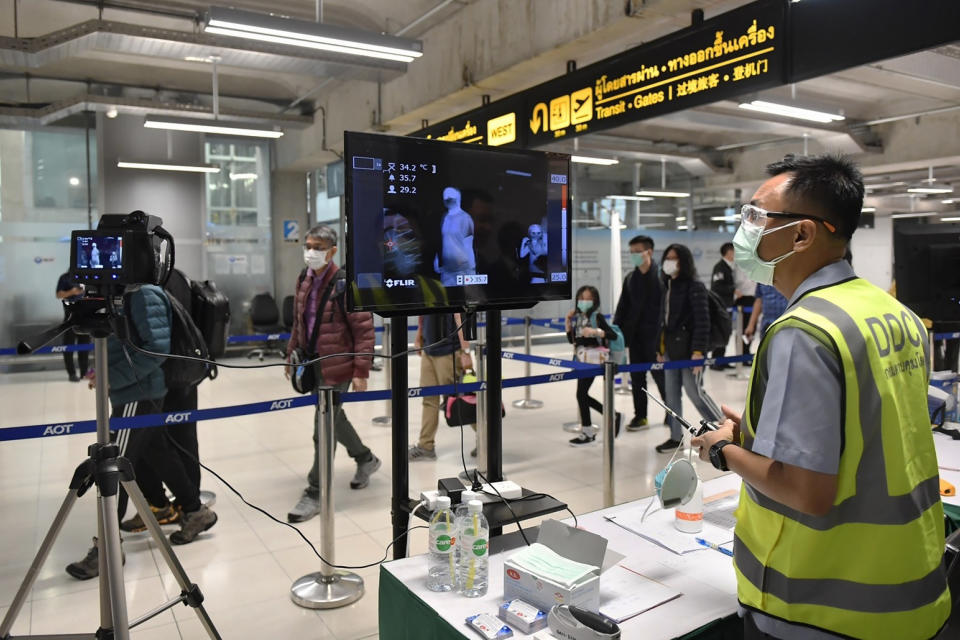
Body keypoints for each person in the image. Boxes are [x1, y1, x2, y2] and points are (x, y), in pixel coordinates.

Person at [693, 154, 949, 640]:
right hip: (910, 590)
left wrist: (723, 451)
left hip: (823, 608)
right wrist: (756, 434)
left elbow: (807, 492)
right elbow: (868, 426)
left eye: (755, 216)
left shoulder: (804, 332)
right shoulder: (896, 314)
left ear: (802, 234)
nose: (745, 230)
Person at [286, 224, 380, 523]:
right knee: (334, 418)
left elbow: (364, 330)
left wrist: (361, 370)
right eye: (309, 245)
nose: (311, 252)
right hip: (311, 363)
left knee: (322, 428)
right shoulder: (303, 278)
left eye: (318, 247)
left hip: (337, 364)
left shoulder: (345, 283)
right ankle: (366, 458)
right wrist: (291, 355)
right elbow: (298, 323)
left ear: (332, 251)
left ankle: (315, 491)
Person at [656, 243, 722, 453]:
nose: (669, 262)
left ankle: (723, 428)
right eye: (667, 257)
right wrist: (660, 347)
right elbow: (663, 320)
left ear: (683, 261)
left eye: (674, 258)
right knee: (672, 395)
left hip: (690, 351)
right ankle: (676, 437)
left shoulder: (695, 286)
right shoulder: (666, 286)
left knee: (695, 393)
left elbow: (703, 321)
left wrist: (698, 352)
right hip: (670, 351)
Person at [613, 235, 667, 430]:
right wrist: (616, 335)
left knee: (661, 378)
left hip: (656, 339)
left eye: (637, 252)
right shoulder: (630, 278)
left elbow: (667, 311)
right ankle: (640, 416)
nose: (634, 256)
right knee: (637, 379)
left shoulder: (662, 277)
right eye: (632, 252)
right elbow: (622, 309)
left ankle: (671, 414)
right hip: (635, 338)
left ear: (649, 252)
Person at [408, 313, 475, 461]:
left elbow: (460, 317)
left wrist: (466, 352)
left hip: (449, 352)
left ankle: (487, 439)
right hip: (429, 350)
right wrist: (419, 336)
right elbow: (423, 313)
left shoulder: (451, 289)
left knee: (462, 401)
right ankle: (426, 445)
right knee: (429, 399)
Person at [565, 285, 623, 446]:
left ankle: (589, 432)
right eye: (581, 298)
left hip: (593, 360)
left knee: (581, 394)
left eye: (588, 298)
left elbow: (612, 334)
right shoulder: (578, 317)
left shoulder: (597, 317)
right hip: (581, 360)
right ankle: (609, 417)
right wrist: (568, 323)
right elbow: (573, 341)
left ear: (595, 300)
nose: (584, 301)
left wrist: (595, 332)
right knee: (581, 395)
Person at [434, 187, 476, 286]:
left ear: (457, 199)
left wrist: (472, 269)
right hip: (446, 271)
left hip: (462, 271)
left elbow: (469, 244)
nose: (447, 200)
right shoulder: (445, 217)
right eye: (445, 198)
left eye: (450, 198)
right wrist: (436, 260)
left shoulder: (465, 218)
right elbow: (443, 240)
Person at [55, 272, 90, 381]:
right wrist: (72, 292)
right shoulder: (65, 278)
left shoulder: (87, 276)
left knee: (84, 348)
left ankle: (84, 373)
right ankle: (71, 373)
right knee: (68, 347)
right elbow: (59, 295)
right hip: (70, 317)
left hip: (86, 316)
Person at [709, 242, 736, 370]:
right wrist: (733, 289)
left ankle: (721, 360)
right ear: (728, 252)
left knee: (726, 332)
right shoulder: (720, 267)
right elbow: (717, 287)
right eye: (734, 251)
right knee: (721, 332)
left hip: (728, 306)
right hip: (722, 306)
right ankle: (716, 361)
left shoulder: (729, 267)